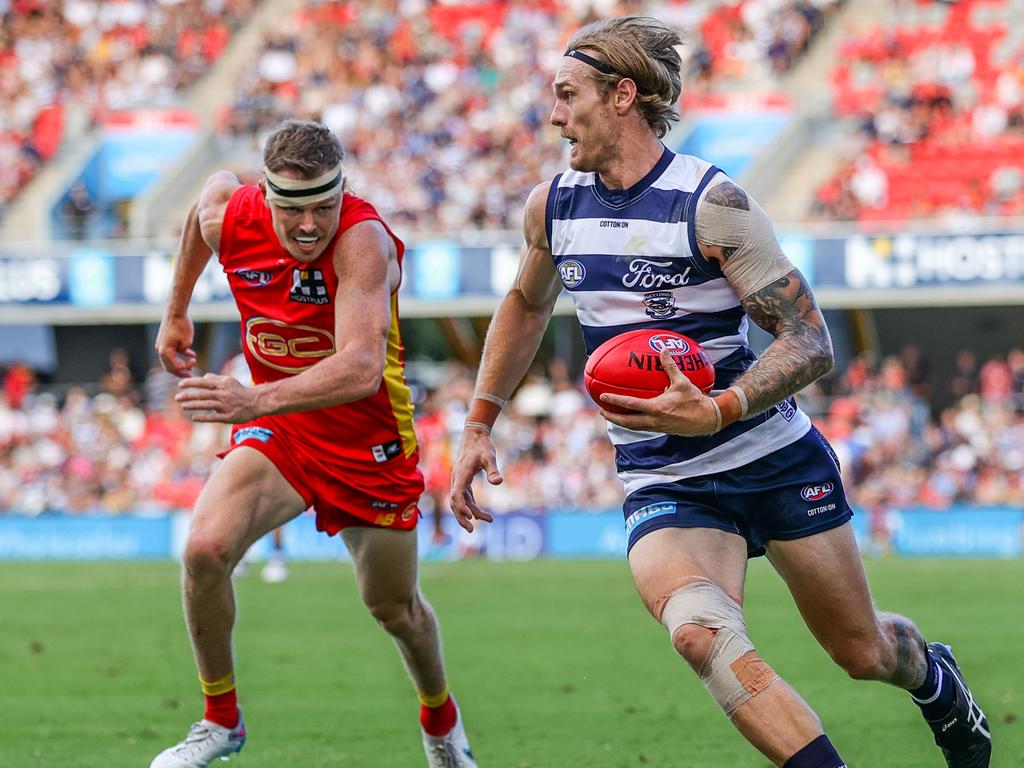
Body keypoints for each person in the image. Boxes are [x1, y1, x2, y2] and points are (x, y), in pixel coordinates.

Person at [450, 17, 990, 768]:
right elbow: (526, 303)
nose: (552, 114)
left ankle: (936, 680)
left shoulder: (709, 202)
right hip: (665, 475)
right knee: (700, 634)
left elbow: (810, 340)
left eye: (567, 95)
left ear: (622, 96)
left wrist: (720, 408)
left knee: (863, 651)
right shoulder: (553, 207)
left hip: (770, 454)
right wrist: (479, 422)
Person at [151, 119, 477, 768]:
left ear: (343, 191)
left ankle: (441, 724)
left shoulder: (363, 242)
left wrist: (252, 399)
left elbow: (359, 369)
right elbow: (200, 210)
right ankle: (221, 721)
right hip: (284, 432)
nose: (309, 226)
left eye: (324, 206)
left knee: (395, 609)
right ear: (265, 198)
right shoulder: (230, 214)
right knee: (205, 551)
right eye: (293, 210)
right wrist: (176, 309)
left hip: (370, 443)